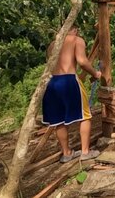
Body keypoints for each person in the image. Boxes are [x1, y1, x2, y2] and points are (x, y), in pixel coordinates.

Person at [42, 25, 102, 162]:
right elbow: (82, 61)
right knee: (85, 115)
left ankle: (67, 153)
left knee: (59, 120)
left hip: (52, 83)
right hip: (69, 81)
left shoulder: (53, 44)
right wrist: (95, 73)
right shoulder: (76, 40)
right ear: (74, 29)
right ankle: (85, 151)